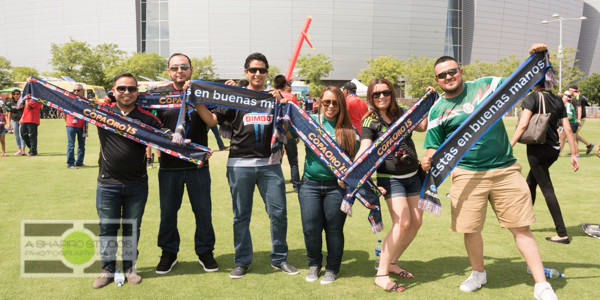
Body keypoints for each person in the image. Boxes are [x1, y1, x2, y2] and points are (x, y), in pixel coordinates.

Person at [421, 44, 559, 300]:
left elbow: (522, 81)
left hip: (505, 170)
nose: (448, 77)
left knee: (521, 227)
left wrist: (534, 57)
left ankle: (541, 284)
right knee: (470, 229)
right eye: (442, 75)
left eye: (452, 71)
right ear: (436, 80)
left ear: (460, 71)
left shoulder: (487, 85)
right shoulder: (438, 109)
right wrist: (428, 159)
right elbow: (432, 145)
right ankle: (478, 273)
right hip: (465, 174)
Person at [219, 53, 298, 279]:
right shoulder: (234, 96)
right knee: (241, 215)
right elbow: (215, 121)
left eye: (262, 70)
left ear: (267, 73)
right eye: (253, 70)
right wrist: (224, 94)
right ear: (246, 72)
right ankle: (242, 261)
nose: (257, 74)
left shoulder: (275, 98)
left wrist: (283, 102)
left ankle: (280, 258)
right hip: (238, 164)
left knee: (278, 213)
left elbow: (291, 129)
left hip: (270, 164)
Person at [93, 73, 171, 289]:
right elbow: (70, 106)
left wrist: (188, 145)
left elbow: (166, 134)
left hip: (137, 184)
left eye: (131, 89)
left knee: (132, 228)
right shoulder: (101, 113)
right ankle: (107, 269)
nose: (126, 92)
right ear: (113, 91)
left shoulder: (146, 117)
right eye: (121, 89)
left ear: (137, 91)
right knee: (107, 228)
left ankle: (129, 268)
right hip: (107, 183)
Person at [357, 78, 427, 293]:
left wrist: (426, 101)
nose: (381, 97)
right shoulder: (370, 121)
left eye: (385, 92)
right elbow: (365, 148)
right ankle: (381, 273)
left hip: (414, 175)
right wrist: (351, 171)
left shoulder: (403, 113)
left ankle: (393, 261)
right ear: (370, 96)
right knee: (403, 222)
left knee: (415, 222)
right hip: (390, 178)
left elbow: (423, 126)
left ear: (391, 93)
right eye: (376, 94)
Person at [153, 53, 219, 275]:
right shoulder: (158, 94)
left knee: (203, 212)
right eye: (175, 68)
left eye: (184, 67)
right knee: (168, 213)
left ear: (191, 69)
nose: (179, 71)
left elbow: (215, 118)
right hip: (169, 166)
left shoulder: (203, 92)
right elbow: (149, 123)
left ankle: (205, 252)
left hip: (198, 165)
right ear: (169, 71)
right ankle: (168, 253)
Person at [292, 86, 357, 285]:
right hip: (310, 185)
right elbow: (287, 132)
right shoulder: (309, 123)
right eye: (326, 102)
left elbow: (355, 162)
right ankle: (314, 265)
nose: (330, 106)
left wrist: (346, 176)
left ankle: (332, 268)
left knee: (334, 230)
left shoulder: (349, 130)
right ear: (320, 102)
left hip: (336, 188)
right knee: (310, 228)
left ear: (341, 105)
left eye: (335, 103)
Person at [511, 81, 579, 244]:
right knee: (530, 183)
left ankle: (561, 233)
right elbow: (568, 129)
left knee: (547, 188)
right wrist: (574, 154)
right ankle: (523, 221)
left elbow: (523, 124)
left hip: (538, 149)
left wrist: (509, 146)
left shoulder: (532, 98)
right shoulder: (558, 99)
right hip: (554, 150)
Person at [274, 74, 300, 192]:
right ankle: (296, 185)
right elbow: (296, 116)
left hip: (276, 133)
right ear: (285, 84)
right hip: (289, 132)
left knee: (277, 159)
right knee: (293, 160)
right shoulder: (292, 97)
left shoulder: (272, 95)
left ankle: (277, 184)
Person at [64, 84, 88, 169]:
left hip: (82, 126)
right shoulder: (69, 100)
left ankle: (79, 162)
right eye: (74, 90)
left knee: (81, 145)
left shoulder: (86, 101)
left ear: (82, 91)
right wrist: (67, 122)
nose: (76, 92)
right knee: (71, 145)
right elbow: (64, 111)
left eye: (78, 90)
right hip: (71, 125)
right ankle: (70, 163)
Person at [569, 85, 594, 154]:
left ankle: (588, 145)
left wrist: (578, 119)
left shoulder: (578, 97)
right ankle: (574, 151)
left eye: (569, 90)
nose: (569, 92)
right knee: (574, 135)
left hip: (579, 119)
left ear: (573, 90)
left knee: (574, 135)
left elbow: (579, 108)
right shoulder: (580, 96)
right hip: (578, 118)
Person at [20, 88, 42, 156]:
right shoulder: (29, 98)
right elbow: (25, 109)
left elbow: (28, 106)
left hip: (32, 119)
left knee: (33, 135)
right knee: (23, 133)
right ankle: (33, 148)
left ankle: (33, 150)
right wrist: (22, 118)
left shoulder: (36, 98)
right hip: (25, 118)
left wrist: (26, 99)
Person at [5, 90, 26, 155]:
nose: (16, 95)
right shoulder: (10, 102)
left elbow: (25, 111)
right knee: (16, 135)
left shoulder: (23, 101)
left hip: (22, 120)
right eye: (14, 94)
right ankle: (19, 149)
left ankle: (23, 150)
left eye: (17, 94)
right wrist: (9, 123)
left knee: (21, 135)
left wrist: (22, 119)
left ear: (20, 94)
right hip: (14, 120)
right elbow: (9, 113)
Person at [558, 91, 578, 156]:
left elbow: (570, 116)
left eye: (563, 98)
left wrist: (562, 121)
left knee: (572, 140)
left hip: (571, 124)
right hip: (571, 124)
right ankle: (559, 153)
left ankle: (576, 154)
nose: (562, 99)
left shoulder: (568, 105)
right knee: (562, 138)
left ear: (566, 98)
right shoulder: (567, 105)